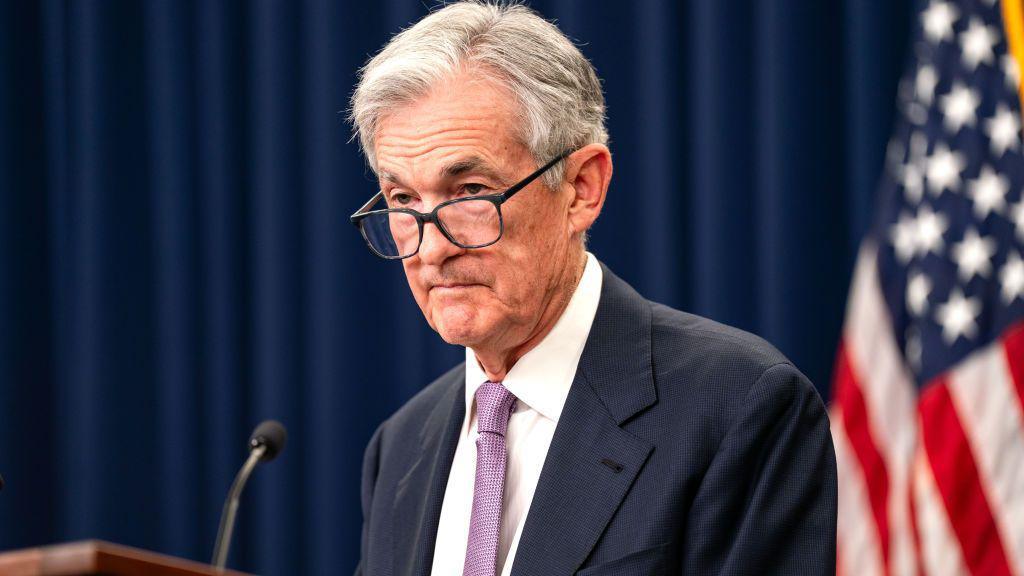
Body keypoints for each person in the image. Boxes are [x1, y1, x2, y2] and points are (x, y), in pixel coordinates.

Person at [349, 2, 836, 575]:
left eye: (469, 191)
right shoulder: (401, 446)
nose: (431, 249)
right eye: (404, 200)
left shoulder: (738, 406)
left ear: (582, 188)